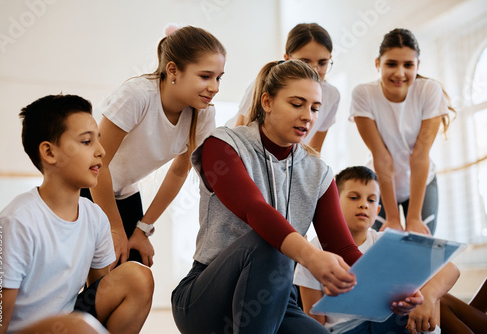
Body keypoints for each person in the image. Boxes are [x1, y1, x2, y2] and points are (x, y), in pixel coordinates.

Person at [171, 60, 422, 334]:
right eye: (296, 104)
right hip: (206, 300)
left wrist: (390, 289)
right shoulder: (222, 146)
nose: (308, 116)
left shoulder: (317, 171)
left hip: (275, 299)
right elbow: (254, 209)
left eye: (315, 108)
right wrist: (311, 257)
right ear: (267, 102)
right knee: (270, 244)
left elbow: (343, 248)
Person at [0, 95, 154, 334]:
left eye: (99, 140)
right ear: (49, 153)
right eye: (86, 142)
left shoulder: (95, 216)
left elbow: (98, 291)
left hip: (72, 323)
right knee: (78, 327)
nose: (101, 151)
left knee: (138, 276)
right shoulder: (15, 224)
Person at [83, 25, 226, 267]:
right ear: (173, 70)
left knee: (136, 267)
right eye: (205, 76)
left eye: (218, 77)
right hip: (86, 185)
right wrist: (116, 230)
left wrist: (142, 229)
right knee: (103, 268)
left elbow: (180, 171)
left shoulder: (203, 115)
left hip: (125, 191)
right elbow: (98, 164)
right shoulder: (138, 95)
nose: (215, 87)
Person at [294, 166, 460, 334]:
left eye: (371, 200)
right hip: (346, 330)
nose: (363, 205)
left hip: (388, 320)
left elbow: (450, 268)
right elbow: (314, 322)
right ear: (334, 204)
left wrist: (428, 297)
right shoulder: (314, 252)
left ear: (378, 210)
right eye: (354, 197)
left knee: (428, 294)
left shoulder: (386, 242)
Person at [350, 28, 456, 235]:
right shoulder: (363, 94)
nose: (400, 73)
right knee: (384, 252)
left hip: (421, 182)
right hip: (379, 183)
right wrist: (392, 217)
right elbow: (381, 156)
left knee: (418, 248)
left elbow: (419, 156)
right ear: (377, 64)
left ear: (418, 66)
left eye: (408, 65)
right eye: (391, 64)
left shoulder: (429, 90)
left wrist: (414, 218)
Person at [229, 23, 339, 153]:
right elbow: (239, 138)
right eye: (305, 62)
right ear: (287, 58)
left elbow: (313, 152)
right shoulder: (265, 84)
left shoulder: (332, 95)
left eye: (322, 63)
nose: (314, 70)